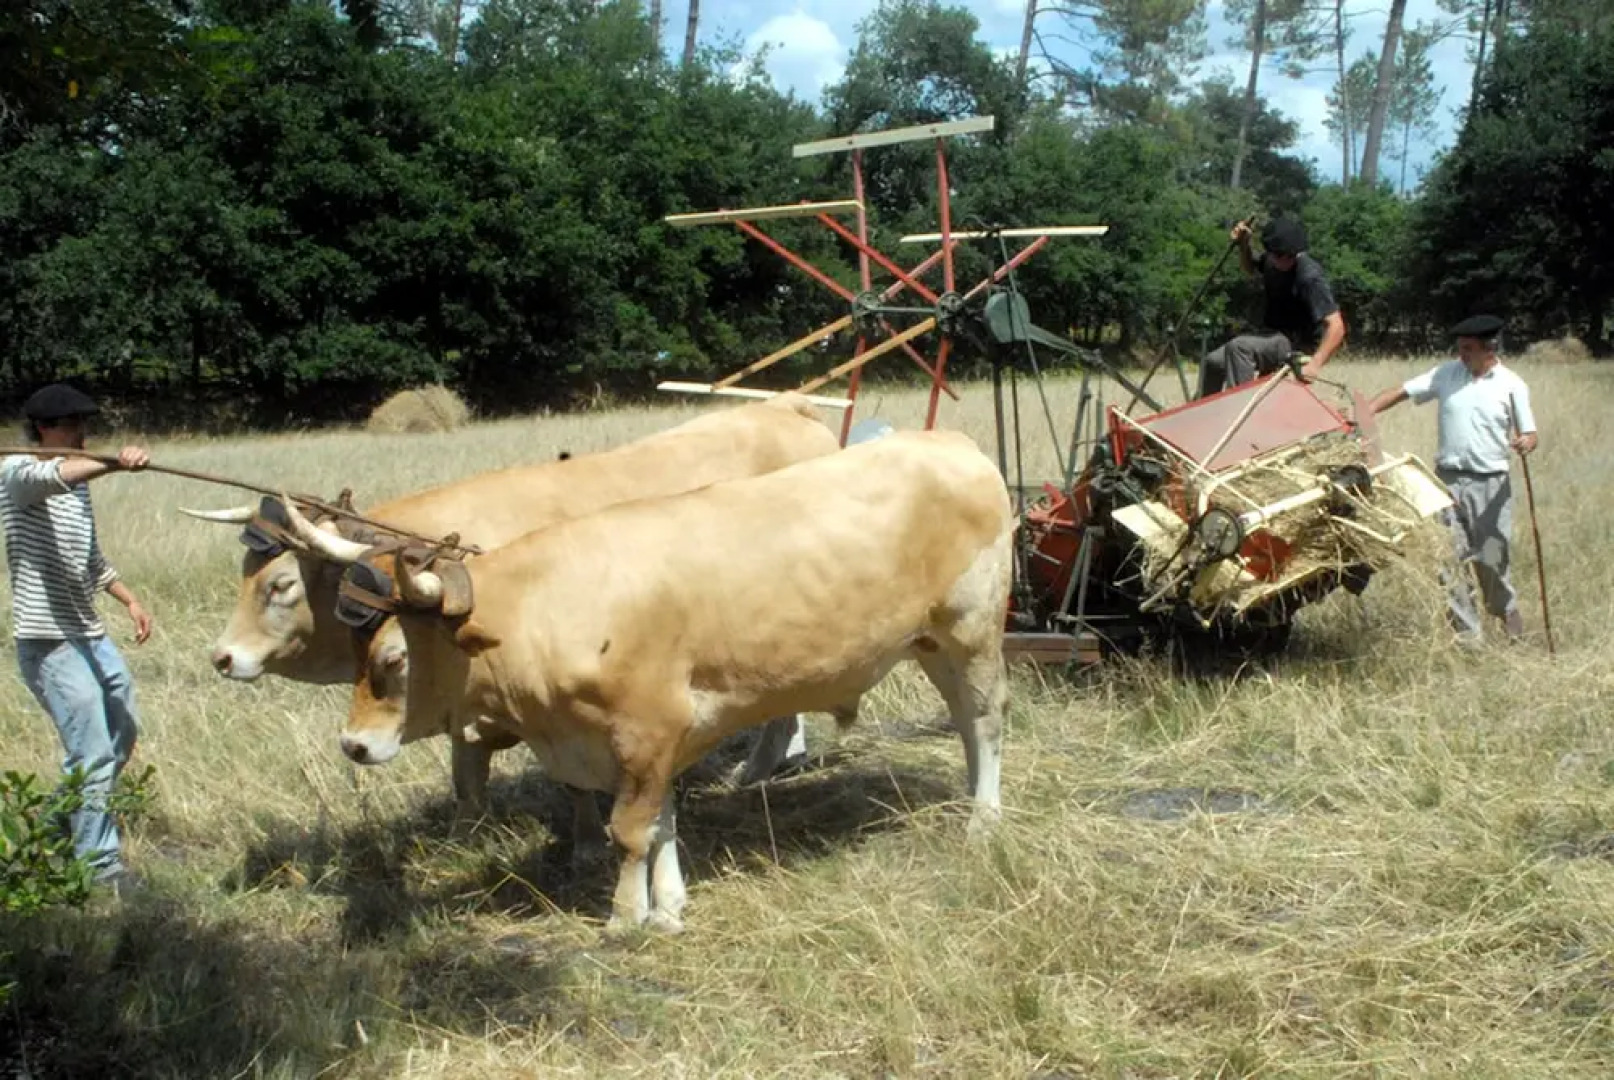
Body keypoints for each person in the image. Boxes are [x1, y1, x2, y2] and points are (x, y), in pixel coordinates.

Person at [1, 383, 153, 894]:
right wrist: (115, 463)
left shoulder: (77, 485)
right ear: (45, 429)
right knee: (91, 752)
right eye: (73, 425)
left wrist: (128, 598)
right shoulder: (16, 474)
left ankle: (55, 833)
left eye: (84, 424)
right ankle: (98, 867)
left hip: (88, 631)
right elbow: (52, 476)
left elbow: (90, 558)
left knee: (121, 729)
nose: (83, 434)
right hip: (47, 641)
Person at [1368, 315, 1538, 644]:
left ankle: (1509, 619)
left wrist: (1525, 443)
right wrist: (1368, 409)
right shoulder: (1447, 374)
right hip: (1445, 485)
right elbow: (1402, 391)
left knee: (1491, 561)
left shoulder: (1512, 385)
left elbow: (1530, 433)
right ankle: (1467, 641)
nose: (1462, 355)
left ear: (1490, 349)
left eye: (1469, 349)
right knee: (1449, 559)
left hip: (1491, 488)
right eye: (1460, 348)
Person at [1197, 217, 1348, 398]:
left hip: (1295, 342)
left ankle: (1241, 412)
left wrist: (1316, 363)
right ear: (1270, 252)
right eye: (1278, 255)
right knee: (1213, 362)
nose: (1285, 260)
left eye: (1291, 256)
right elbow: (1250, 268)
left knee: (1239, 347)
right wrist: (1243, 244)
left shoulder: (1309, 277)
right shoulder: (1270, 260)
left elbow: (1337, 326)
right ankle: (1202, 413)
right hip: (1271, 334)